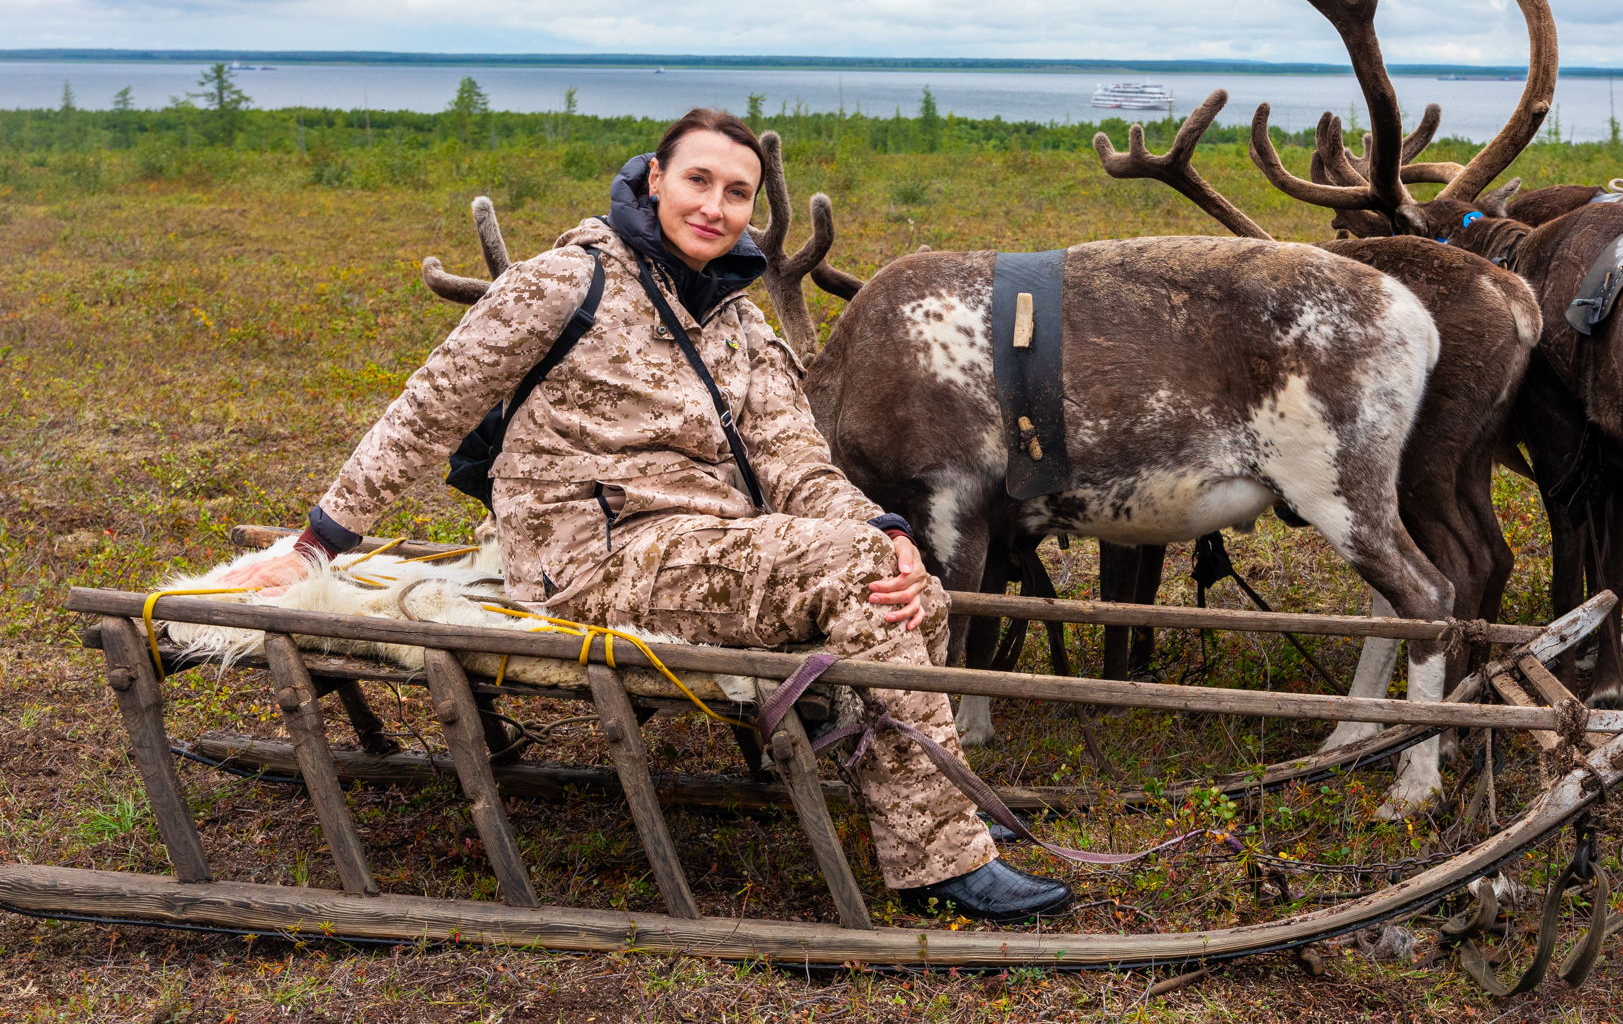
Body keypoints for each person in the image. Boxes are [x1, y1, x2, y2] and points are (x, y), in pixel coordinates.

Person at [223, 107, 1071, 922]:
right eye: (698, 180)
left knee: (908, 580)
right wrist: (317, 543)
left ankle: (924, 798)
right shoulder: (564, 282)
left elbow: (798, 467)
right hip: (593, 562)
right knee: (858, 574)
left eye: (737, 192)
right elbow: (429, 410)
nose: (715, 206)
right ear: (655, 178)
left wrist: (882, 529)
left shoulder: (739, 325)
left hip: (709, 549)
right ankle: (943, 867)